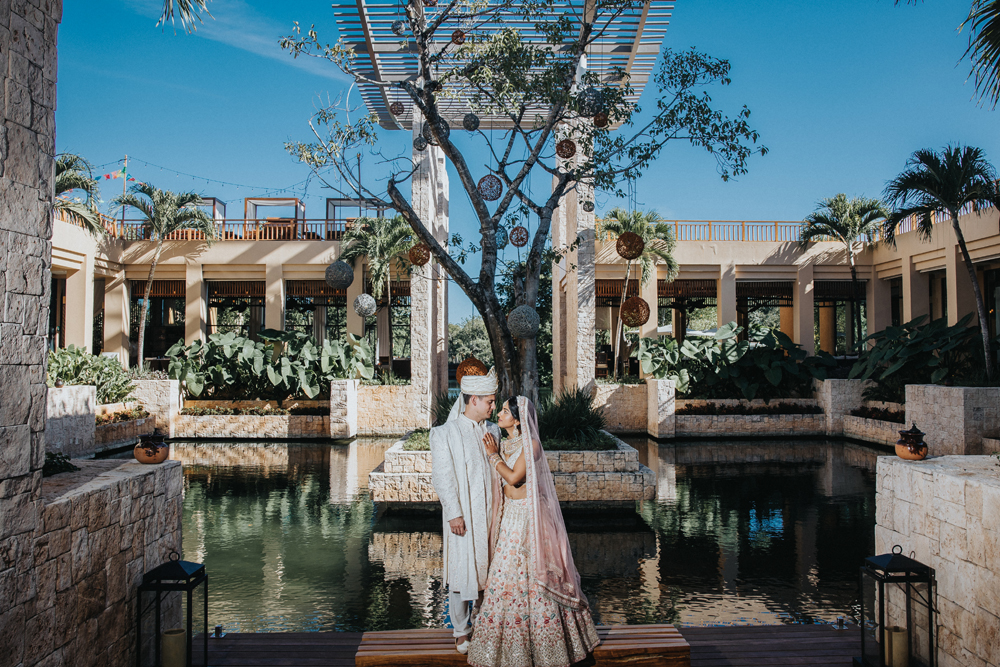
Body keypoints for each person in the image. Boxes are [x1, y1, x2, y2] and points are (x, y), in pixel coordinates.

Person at [468, 396, 600, 667]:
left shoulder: (533, 444)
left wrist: (493, 456)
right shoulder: (506, 442)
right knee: (505, 576)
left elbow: (515, 477)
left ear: (517, 419)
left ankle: (545, 647)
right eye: (501, 409)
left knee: (531, 575)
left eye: (505, 410)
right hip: (509, 515)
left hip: (527, 516)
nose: (500, 413)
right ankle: (505, 648)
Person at [430, 367, 502, 654]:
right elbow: (442, 476)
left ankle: (483, 624)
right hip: (464, 516)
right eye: (490, 401)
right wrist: (453, 513)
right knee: (463, 569)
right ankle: (461, 631)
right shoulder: (444, 433)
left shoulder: (493, 430)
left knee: (489, 570)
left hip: (492, 513)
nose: (493, 407)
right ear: (473, 400)